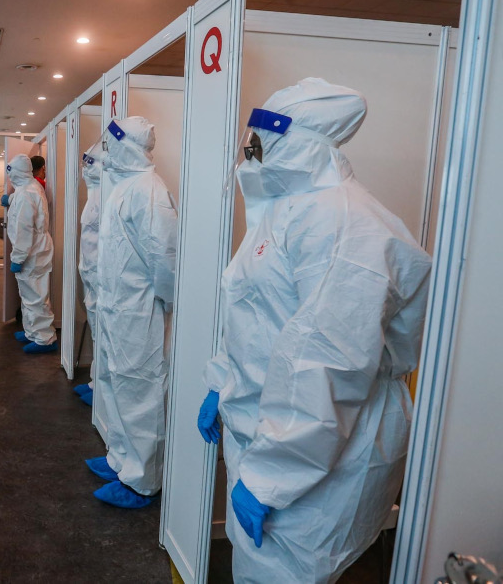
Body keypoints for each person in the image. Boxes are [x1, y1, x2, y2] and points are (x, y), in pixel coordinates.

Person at [197, 79, 431, 583]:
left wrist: (270, 476)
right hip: (275, 429)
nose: (251, 152)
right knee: (260, 567)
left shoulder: (344, 223)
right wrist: (222, 381)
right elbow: (252, 310)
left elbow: (328, 362)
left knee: (286, 571)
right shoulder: (287, 209)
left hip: (318, 448)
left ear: (297, 139)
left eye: (261, 140)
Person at [87, 116, 177, 510]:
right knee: (114, 383)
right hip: (116, 307)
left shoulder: (149, 191)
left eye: (109, 144)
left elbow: (165, 260)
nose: (103, 152)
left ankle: (142, 479)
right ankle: (119, 458)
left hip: (138, 311)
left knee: (139, 391)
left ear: (126, 146)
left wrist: (167, 306)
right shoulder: (125, 187)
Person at [6, 154, 57, 354]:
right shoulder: (28, 188)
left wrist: (17, 257)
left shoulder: (27, 193)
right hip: (34, 249)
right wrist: (9, 199)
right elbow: (22, 197)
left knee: (36, 296)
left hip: (31, 251)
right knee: (28, 295)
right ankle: (31, 332)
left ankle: (45, 339)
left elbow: (24, 230)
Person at [73, 143, 104, 406]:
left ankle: (102, 390)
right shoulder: (95, 193)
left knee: (106, 337)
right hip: (92, 276)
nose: (85, 169)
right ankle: (97, 382)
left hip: (104, 280)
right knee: (97, 334)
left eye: (90, 163)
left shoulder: (112, 194)